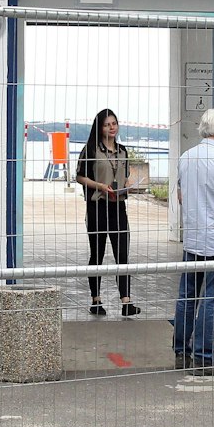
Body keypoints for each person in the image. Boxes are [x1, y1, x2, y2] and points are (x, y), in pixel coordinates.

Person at [172, 107, 214, 374]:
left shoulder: (186, 157)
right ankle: (204, 355)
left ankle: (180, 351)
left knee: (187, 296)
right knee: (212, 298)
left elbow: (181, 196)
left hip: (193, 238)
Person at [75, 107, 139, 317]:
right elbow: (80, 176)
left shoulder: (122, 151)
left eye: (114, 123)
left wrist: (128, 183)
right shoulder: (91, 150)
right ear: (100, 127)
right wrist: (99, 186)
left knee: (122, 254)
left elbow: (125, 173)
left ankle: (126, 301)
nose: (112, 128)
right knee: (98, 254)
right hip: (97, 207)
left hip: (118, 206)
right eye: (107, 124)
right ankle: (96, 299)